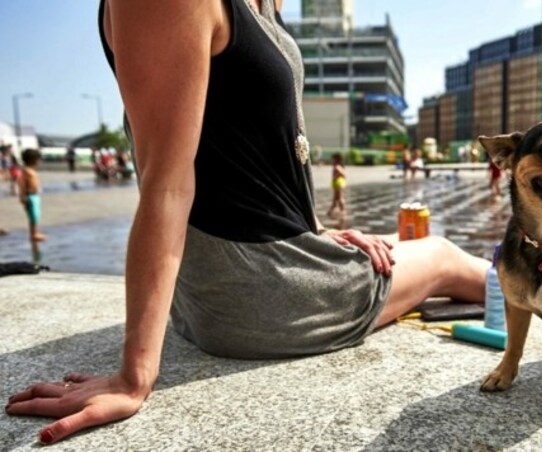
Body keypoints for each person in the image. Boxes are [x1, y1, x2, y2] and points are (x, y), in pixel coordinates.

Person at [5, 0, 490, 445]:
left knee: (404, 240)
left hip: (256, 271)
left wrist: (319, 231)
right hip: (260, 290)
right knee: (442, 253)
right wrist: (134, 379)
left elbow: (256, 152)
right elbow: (168, 186)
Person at [18, 148, 47, 262]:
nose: (39, 161)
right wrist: (22, 196)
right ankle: (34, 234)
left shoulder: (31, 170)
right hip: (30, 196)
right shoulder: (26, 171)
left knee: (36, 215)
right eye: (38, 159)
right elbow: (22, 184)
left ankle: (35, 232)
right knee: (33, 215)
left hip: (35, 195)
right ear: (32, 159)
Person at [326, 152, 346, 219]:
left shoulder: (337, 166)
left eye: (332, 159)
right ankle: (330, 211)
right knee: (335, 199)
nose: (331, 160)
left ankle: (343, 211)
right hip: (337, 183)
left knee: (339, 198)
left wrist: (337, 176)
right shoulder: (336, 166)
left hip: (339, 183)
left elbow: (343, 174)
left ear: (336, 159)